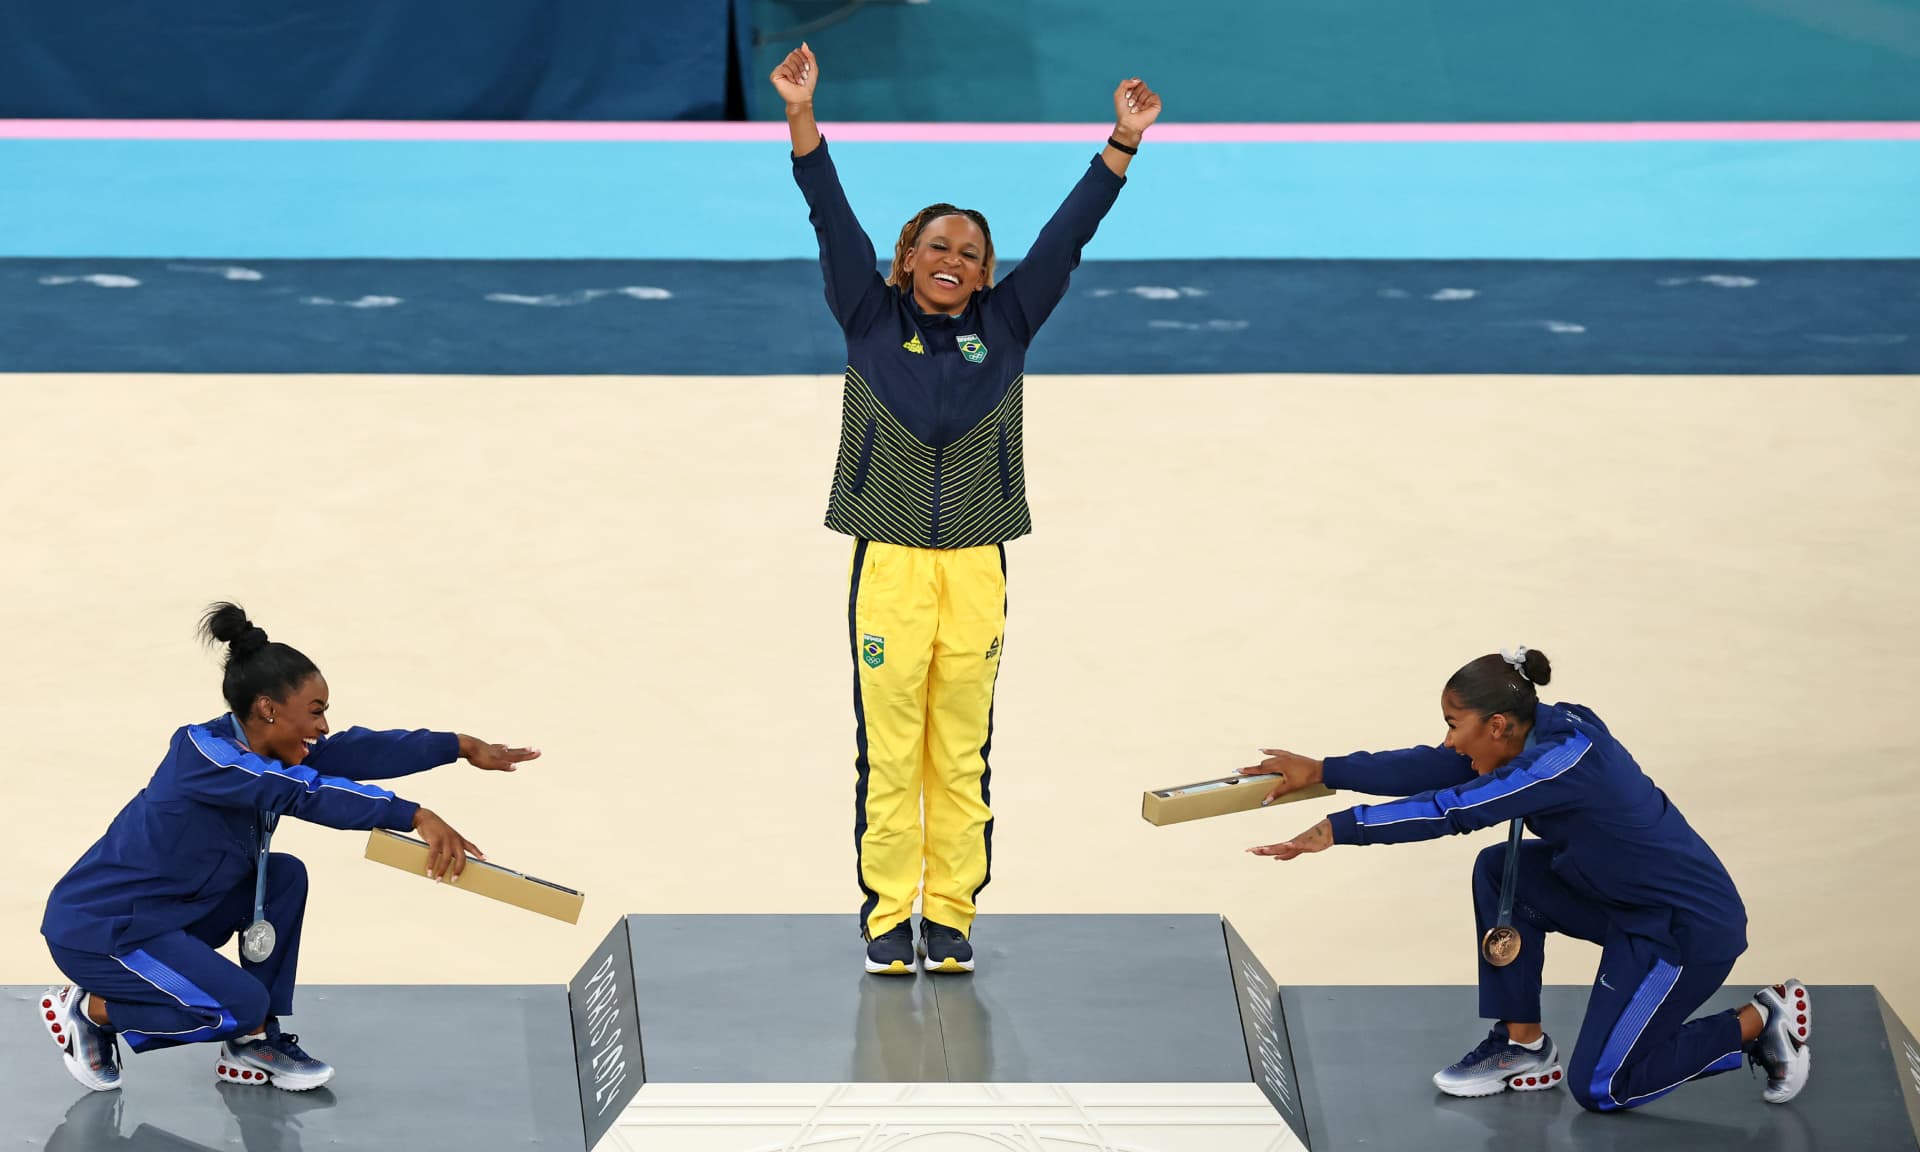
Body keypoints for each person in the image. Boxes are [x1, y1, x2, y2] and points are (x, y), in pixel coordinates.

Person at [768, 43, 1162, 975]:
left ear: (987, 277)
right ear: (906, 258)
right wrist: (801, 117)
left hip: (979, 563)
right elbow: (830, 216)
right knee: (890, 750)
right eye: (938, 246)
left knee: (960, 752)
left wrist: (1122, 143)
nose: (953, 260)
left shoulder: (1008, 325)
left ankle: (948, 917)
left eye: (971, 254)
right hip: (891, 565)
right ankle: (884, 916)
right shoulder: (867, 315)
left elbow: (1066, 239)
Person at [1241, 647, 1811, 1110]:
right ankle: (1523, 1045)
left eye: (1453, 725)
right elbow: (1437, 765)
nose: (1449, 739)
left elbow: (1453, 809)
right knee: (1500, 871)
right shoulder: (1529, 730)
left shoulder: (1562, 761)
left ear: (1495, 725)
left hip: (1681, 930)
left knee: (1603, 1087)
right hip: (1618, 901)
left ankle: (1760, 1021)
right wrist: (1325, 770)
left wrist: (1339, 829)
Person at [36, 602, 538, 1094]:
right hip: (105, 929)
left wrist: (459, 746)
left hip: (170, 914)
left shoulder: (274, 748)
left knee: (283, 876)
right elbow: (300, 792)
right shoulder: (204, 754)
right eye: (316, 712)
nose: (323, 727)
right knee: (238, 1006)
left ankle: (254, 1042)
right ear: (267, 709)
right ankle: (92, 1011)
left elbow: (358, 750)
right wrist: (415, 815)